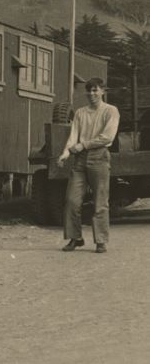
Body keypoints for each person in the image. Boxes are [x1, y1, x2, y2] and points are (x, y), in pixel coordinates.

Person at [57, 77, 120, 253]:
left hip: (99, 157)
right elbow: (73, 136)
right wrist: (65, 153)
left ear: (103, 92)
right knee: (71, 200)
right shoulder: (80, 113)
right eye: (89, 90)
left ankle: (100, 240)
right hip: (80, 159)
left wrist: (83, 145)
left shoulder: (111, 111)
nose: (92, 94)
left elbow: (107, 137)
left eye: (95, 90)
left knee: (100, 200)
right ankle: (75, 238)